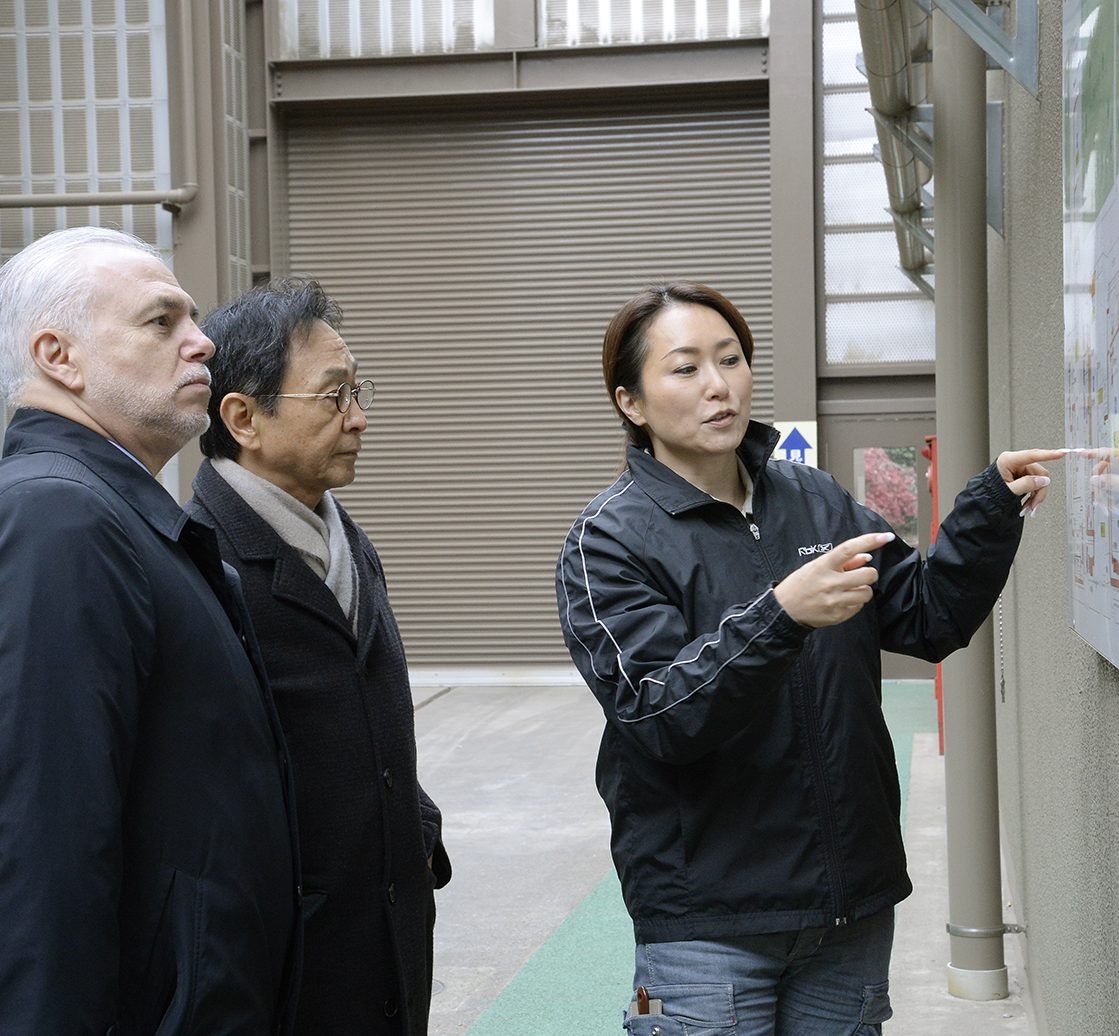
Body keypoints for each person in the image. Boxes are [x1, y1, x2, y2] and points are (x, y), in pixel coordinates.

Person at [555, 281, 1063, 1036]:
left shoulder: (815, 500)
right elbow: (656, 713)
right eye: (686, 368)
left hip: (846, 906)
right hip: (705, 922)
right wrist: (781, 615)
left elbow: (927, 616)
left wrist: (988, 508)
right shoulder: (608, 541)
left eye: (731, 359)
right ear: (631, 402)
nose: (719, 385)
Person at [0, 227, 301, 1033]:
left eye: (192, 319)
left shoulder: (114, 512)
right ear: (59, 356)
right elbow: (43, 830)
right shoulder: (59, 517)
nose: (202, 342)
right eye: (160, 321)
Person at [186, 278, 451, 1036]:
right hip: (288, 965)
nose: (358, 418)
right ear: (243, 418)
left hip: (391, 937)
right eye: (333, 396)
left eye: (356, 391)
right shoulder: (200, 564)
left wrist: (416, 833)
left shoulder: (344, 536)